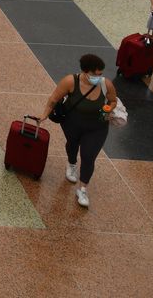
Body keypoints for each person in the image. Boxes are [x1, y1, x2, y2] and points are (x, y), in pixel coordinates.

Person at [39, 53, 118, 208]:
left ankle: (82, 189)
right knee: (72, 145)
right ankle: (72, 163)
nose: (98, 77)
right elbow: (53, 99)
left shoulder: (105, 84)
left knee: (89, 156)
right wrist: (43, 116)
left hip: (97, 128)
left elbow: (113, 100)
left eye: (100, 74)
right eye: (95, 74)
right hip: (72, 124)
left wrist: (109, 107)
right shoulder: (70, 81)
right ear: (85, 71)